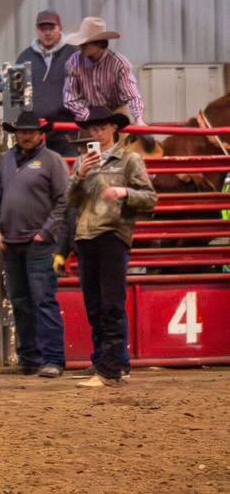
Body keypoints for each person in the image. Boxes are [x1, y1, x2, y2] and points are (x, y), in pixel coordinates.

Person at [68, 107, 157, 388]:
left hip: (112, 235)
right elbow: (70, 199)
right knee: (95, 305)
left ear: (113, 129)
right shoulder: (83, 161)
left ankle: (110, 369)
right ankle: (107, 362)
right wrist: (80, 174)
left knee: (111, 304)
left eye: (101, 128)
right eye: (92, 129)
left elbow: (150, 198)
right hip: (86, 235)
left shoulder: (129, 160)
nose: (96, 133)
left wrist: (124, 192)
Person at [0, 111, 69, 378]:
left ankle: (53, 358)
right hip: (11, 243)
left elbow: (62, 201)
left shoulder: (52, 161)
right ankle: (30, 358)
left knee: (43, 300)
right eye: (21, 131)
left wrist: (45, 232)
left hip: (39, 244)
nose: (25, 135)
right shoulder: (7, 161)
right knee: (21, 301)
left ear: (40, 134)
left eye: (30, 132)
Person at [14, 9, 79, 156]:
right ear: (37, 31)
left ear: (60, 28)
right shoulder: (24, 58)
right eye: (43, 29)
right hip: (34, 132)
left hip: (67, 131)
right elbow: (14, 94)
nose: (47, 33)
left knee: (68, 172)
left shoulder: (74, 55)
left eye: (52, 28)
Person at [62, 17, 144, 129]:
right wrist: (88, 117)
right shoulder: (73, 62)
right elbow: (70, 97)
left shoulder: (119, 63)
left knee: (120, 145)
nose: (81, 46)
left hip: (116, 113)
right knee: (86, 144)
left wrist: (138, 118)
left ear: (99, 44)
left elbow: (132, 94)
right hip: (88, 114)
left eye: (85, 43)